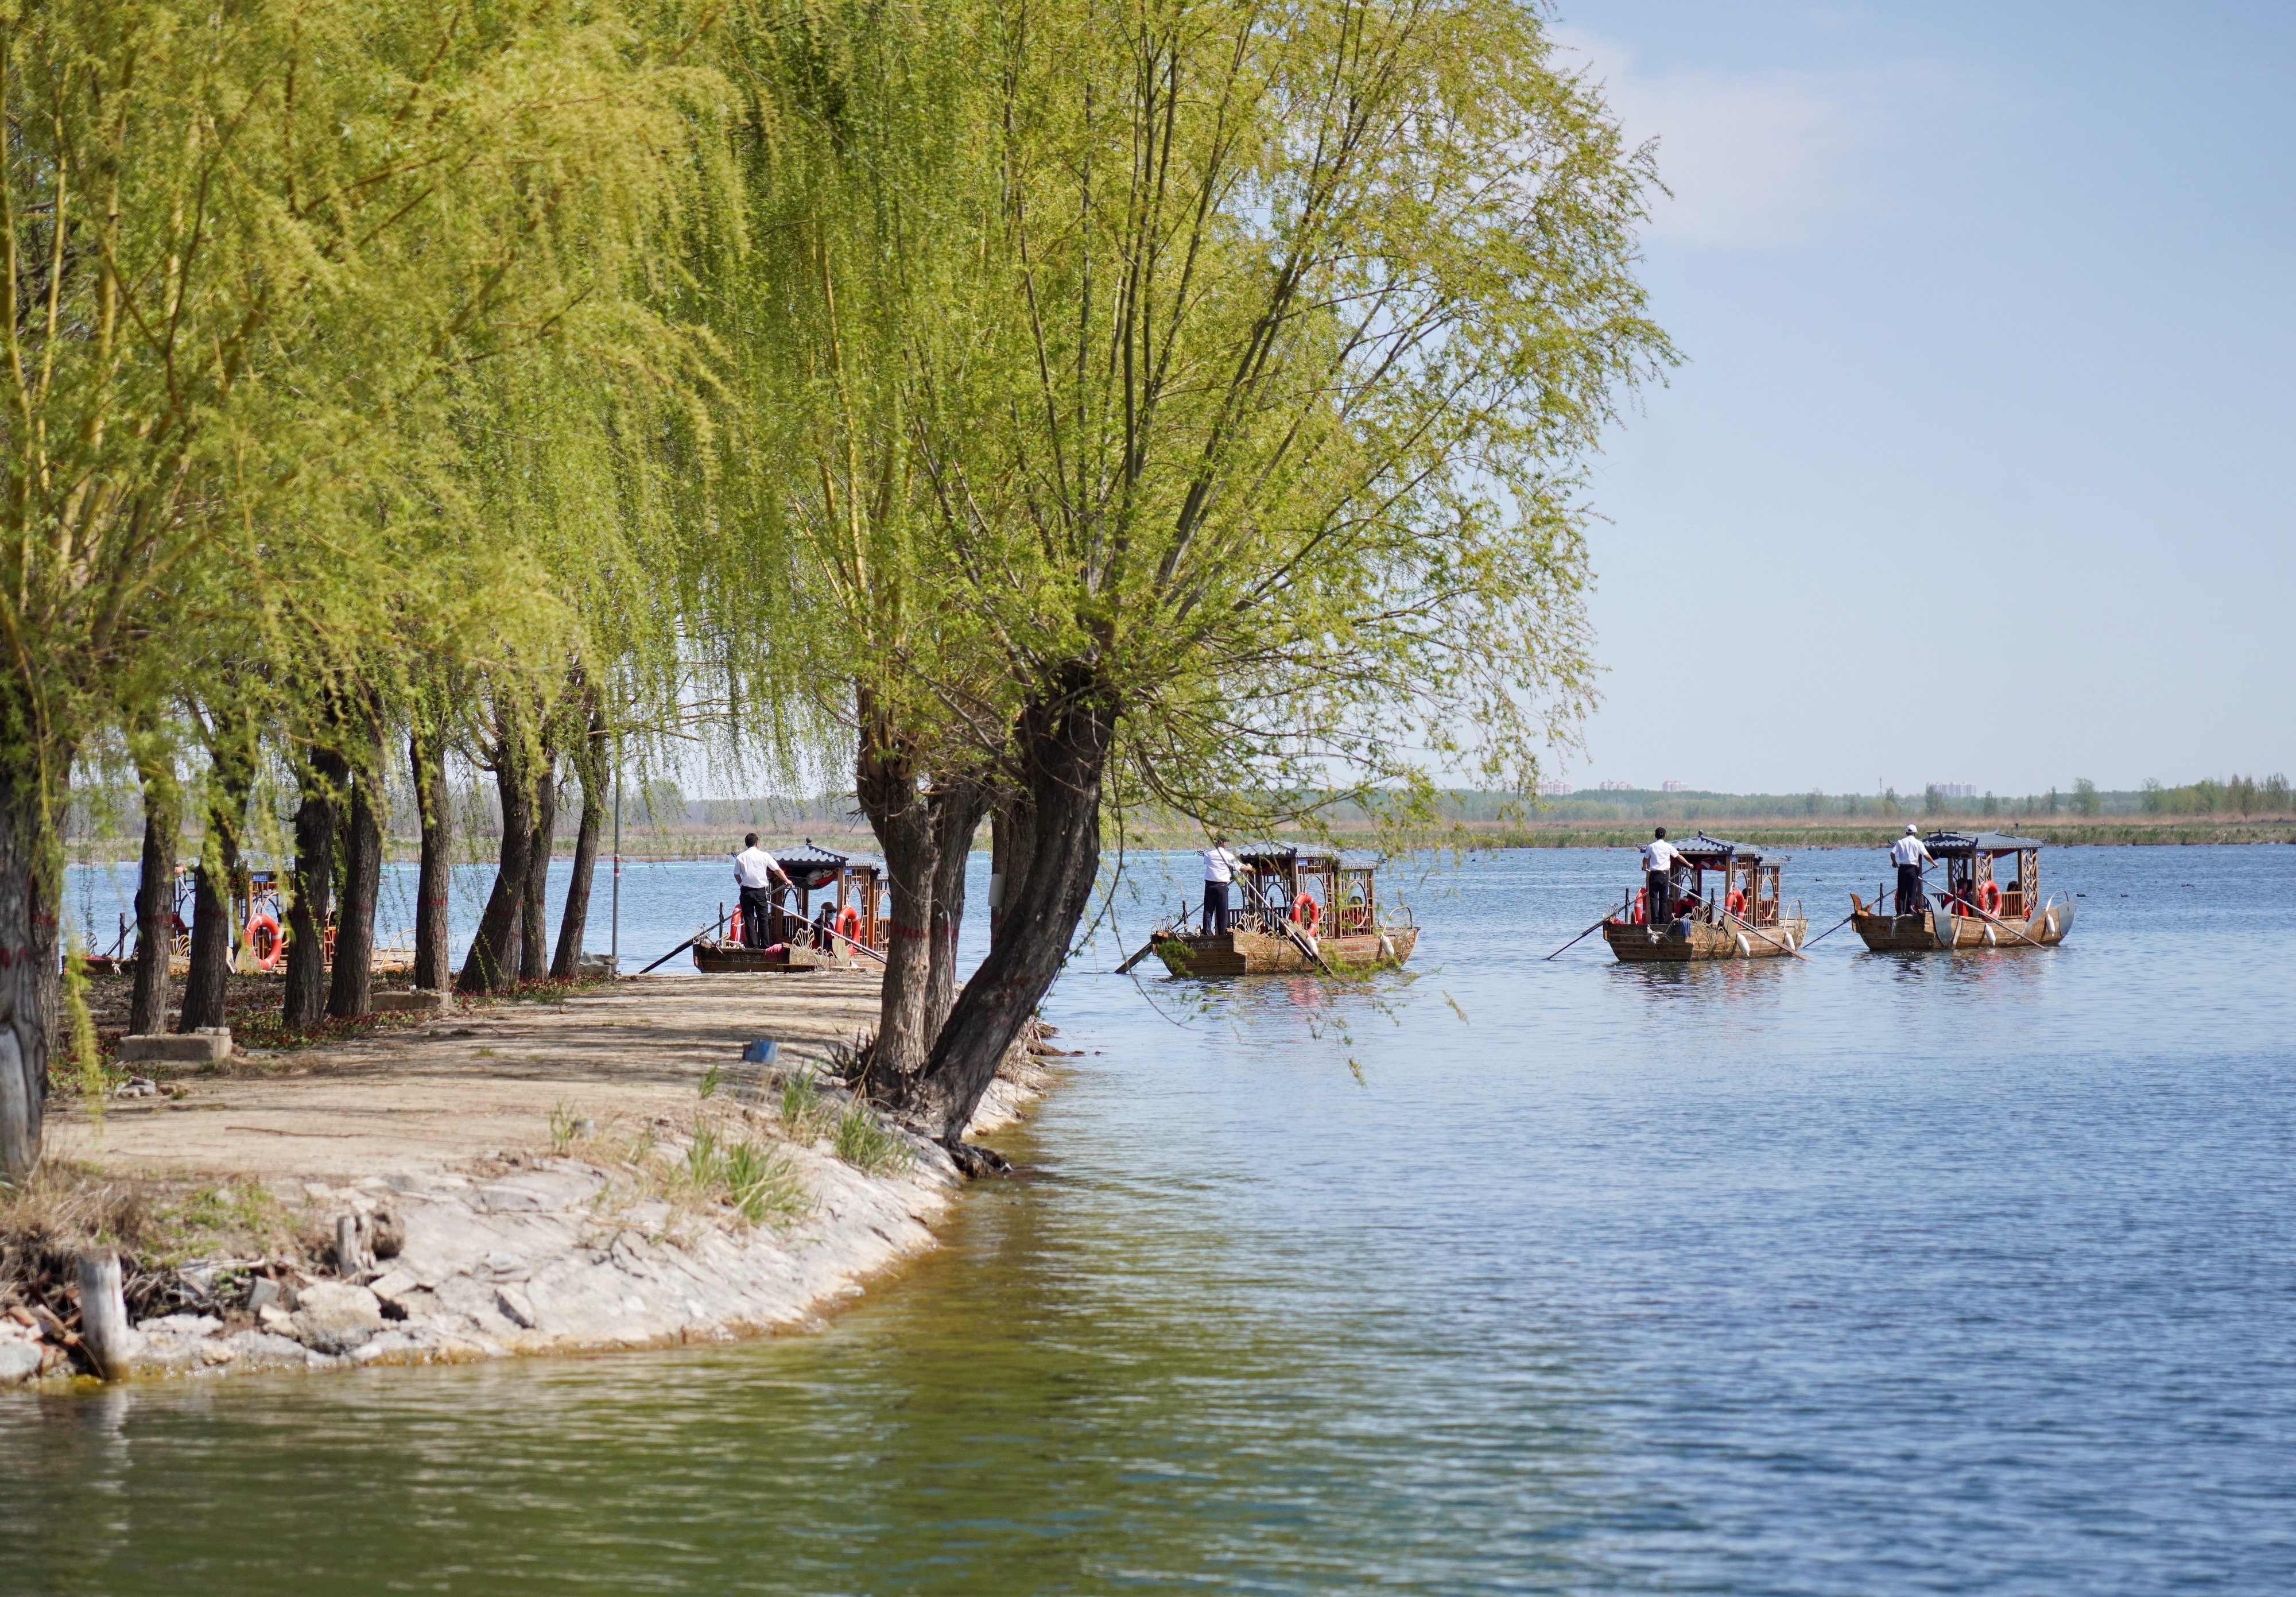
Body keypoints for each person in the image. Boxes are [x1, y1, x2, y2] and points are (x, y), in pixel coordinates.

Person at [732, 834, 792, 949]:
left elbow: (736, 874)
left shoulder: (741, 857)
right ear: (757, 843)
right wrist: (787, 880)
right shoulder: (764, 856)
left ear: (746, 844)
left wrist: (741, 885)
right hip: (760, 892)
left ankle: (753, 947)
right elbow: (777, 870)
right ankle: (765, 947)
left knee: (749, 920)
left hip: (746, 892)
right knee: (763, 920)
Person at [1640, 827, 1683, 923]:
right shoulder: (1668, 846)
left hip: (1653, 875)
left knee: (1654, 900)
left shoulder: (1651, 847)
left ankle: (1655, 922)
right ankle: (1662, 922)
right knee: (1663, 900)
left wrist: (1644, 866)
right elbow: (1678, 856)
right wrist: (1689, 864)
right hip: (1664, 875)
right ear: (1664, 836)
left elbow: (1645, 859)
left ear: (1656, 836)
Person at [1890, 824, 1934, 916]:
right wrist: (1934, 863)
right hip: (1913, 869)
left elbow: (1892, 853)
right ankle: (1909, 912)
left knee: (1902, 891)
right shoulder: (1918, 843)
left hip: (1902, 869)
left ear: (1907, 833)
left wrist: (1894, 862)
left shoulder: (1900, 842)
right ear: (1915, 833)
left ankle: (1899, 913)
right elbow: (1926, 855)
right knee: (1912, 891)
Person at [1201, 836, 1242, 933]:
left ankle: (1207, 933)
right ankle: (1222, 933)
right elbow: (1240, 866)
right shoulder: (1228, 856)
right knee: (1222, 912)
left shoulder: (1208, 855)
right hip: (1222, 886)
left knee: (1208, 910)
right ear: (1223, 843)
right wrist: (1248, 867)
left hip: (1210, 886)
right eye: (1226, 843)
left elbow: (1207, 863)